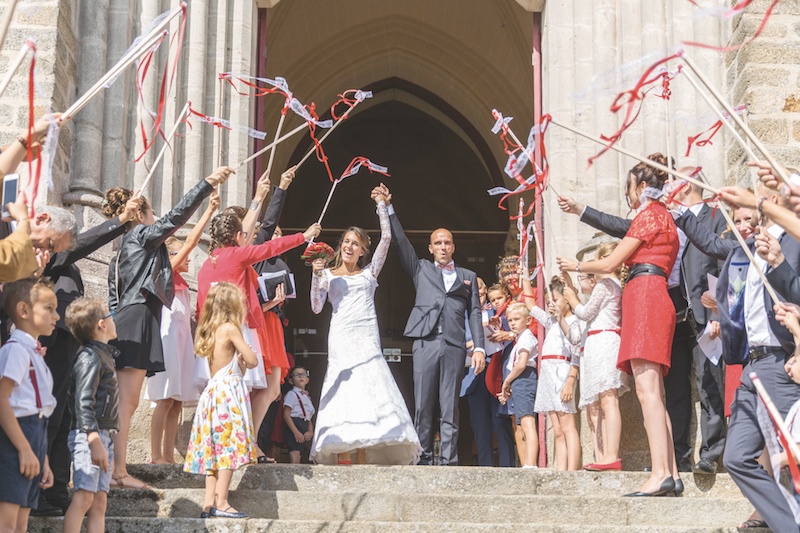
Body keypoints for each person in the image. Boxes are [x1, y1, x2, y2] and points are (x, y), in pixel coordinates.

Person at [558, 154, 681, 496]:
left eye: (629, 189)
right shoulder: (663, 216)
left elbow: (613, 260)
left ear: (642, 188)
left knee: (647, 391)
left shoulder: (648, 215)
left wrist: (579, 264)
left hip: (645, 296)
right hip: (652, 294)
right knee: (655, 391)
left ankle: (659, 474)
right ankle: (670, 471)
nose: (628, 198)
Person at [106, 166, 233, 489]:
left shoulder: (122, 247)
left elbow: (112, 294)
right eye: (152, 214)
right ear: (141, 213)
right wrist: (206, 183)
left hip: (128, 318)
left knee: (127, 401)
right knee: (127, 402)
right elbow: (176, 219)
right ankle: (118, 472)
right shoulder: (138, 235)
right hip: (137, 319)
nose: (156, 220)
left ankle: (116, 470)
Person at [696, 181, 800, 532]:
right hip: (750, 363)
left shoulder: (791, 240)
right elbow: (734, 299)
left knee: (793, 455)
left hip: (781, 360)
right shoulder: (744, 251)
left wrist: (781, 263)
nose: (742, 223)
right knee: (737, 457)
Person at [32, 192, 139, 516]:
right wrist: (120, 222)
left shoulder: (57, 255)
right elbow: (83, 244)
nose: (59, 248)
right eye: (58, 242)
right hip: (53, 341)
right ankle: (39, 490)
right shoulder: (38, 253)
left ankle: (56, 488)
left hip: (68, 341)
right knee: (52, 417)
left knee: (65, 416)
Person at [196, 210, 320, 461]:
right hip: (238, 331)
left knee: (227, 393)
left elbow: (201, 306)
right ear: (237, 236)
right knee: (237, 391)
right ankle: (237, 447)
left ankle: (230, 445)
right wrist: (304, 236)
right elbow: (270, 248)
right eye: (244, 233)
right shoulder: (236, 256)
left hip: (210, 335)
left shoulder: (206, 264)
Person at [309, 187, 421, 465]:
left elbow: (386, 238)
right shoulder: (326, 274)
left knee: (367, 387)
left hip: (367, 335)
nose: (349, 246)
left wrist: (381, 205)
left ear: (362, 251)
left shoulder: (370, 273)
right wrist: (315, 276)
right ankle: (343, 451)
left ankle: (361, 452)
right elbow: (315, 307)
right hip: (341, 334)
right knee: (344, 387)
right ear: (340, 245)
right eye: (346, 241)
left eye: (355, 243)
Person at [382, 182, 485, 466]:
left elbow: (475, 313)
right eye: (437, 243)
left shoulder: (468, 276)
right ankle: (424, 457)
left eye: (447, 242)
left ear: (454, 246)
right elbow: (401, 242)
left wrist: (479, 348)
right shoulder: (421, 269)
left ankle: (449, 460)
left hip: (454, 344)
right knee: (424, 403)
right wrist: (388, 208)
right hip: (425, 342)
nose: (442, 246)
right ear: (430, 247)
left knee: (450, 405)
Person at [146, 189, 220, 464]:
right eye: (181, 254)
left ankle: (169, 455)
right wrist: (208, 211)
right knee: (164, 399)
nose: (189, 258)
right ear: (170, 257)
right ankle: (155, 456)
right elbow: (190, 242)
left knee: (176, 402)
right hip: (165, 348)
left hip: (181, 348)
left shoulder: (183, 288)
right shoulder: (165, 278)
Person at [184, 282, 257, 519]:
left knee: (213, 450)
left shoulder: (208, 330)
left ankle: (208, 504)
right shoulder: (230, 329)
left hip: (213, 391)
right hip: (228, 395)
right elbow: (252, 361)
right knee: (228, 448)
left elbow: (234, 368)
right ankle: (223, 501)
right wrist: (248, 356)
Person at [562, 241, 628, 471]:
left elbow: (585, 312)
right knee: (602, 401)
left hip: (604, 343)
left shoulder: (606, 284)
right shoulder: (612, 284)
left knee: (609, 400)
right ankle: (604, 456)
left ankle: (611, 455)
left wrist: (571, 298)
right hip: (597, 343)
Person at [0, 278, 58, 533]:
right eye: (49, 308)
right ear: (24, 311)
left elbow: (38, 409)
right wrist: (24, 449)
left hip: (35, 434)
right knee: (8, 522)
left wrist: (42, 458)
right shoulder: (15, 350)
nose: (57, 315)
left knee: (22, 523)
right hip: (16, 437)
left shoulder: (33, 351)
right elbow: (2, 399)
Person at [61, 298, 119, 533]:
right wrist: (93, 439)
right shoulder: (89, 357)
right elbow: (83, 402)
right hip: (90, 436)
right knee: (84, 497)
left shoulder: (102, 354)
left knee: (99, 501)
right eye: (110, 315)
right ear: (101, 325)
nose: (114, 319)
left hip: (103, 434)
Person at [526, 277, 582, 471]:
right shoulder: (551, 322)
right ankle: (561, 469)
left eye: (555, 300)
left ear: (567, 300)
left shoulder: (574, 321)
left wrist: (569, 382)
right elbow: (530, 305)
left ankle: (572, 470)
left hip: (562, 371)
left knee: (567, 426)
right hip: (548, 373)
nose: (552, 305)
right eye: (549, 302)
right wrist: (526, 274)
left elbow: (576, 354)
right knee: (557, 430)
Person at [460, 279, 515, 467]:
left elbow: (513, 332)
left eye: (481, 286)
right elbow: (455, 342)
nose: (478, 291)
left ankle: (508, 467)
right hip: (473, 374)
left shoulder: (498, 311)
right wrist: (476, 345)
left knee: (501, 421)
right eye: (472, 288)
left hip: (497, 371)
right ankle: (485, 468)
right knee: (480, 427)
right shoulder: (461, 314)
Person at [497, 302, 539, 468]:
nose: (512, 323)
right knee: (523, 423)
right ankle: (528, 462)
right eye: (510, 320)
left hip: (524, 380)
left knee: (528, 423)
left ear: (528, 320)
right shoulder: (520, 339)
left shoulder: (526, 337)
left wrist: (506, 382)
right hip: (519, 382)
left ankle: (531, 463)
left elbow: (521, 364)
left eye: (517, 319)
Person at [282, 366, 315, 464]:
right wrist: (296, 432)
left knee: (302, 455)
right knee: (295, 455)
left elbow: (308, 417)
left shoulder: (306, 396)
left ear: (307, 379)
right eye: (297, 375)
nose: (301, 376)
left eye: (303, 374)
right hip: (295, 423)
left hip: (304, 424)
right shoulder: (292, 394)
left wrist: (310, 431)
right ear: (291, 381)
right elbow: (286, 414)